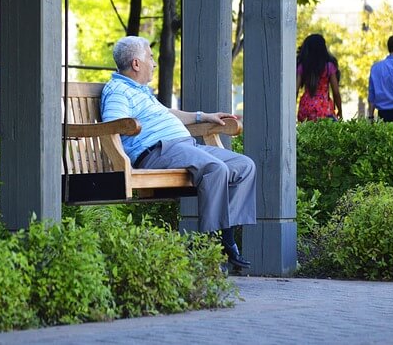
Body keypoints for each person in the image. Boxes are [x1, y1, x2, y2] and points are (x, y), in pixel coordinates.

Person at [100, 36, 257, 269]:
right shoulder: (118, 91)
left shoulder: (141, 92)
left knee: (244, 166)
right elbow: (113, 124)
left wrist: (203, 117)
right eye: (150, 58)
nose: (153, 64)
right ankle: (213, 245)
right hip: (157, 152)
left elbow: (167, 113)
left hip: (184, 147)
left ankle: (226, 238)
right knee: (215, 169)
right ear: (136, 64)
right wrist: (137, 127)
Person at [295, 34, 342, 122]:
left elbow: (295, 90)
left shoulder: (303, 66)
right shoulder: (329, 67)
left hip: (305, 108)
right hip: (324, 109)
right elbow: (336, 92)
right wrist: (340, 110)